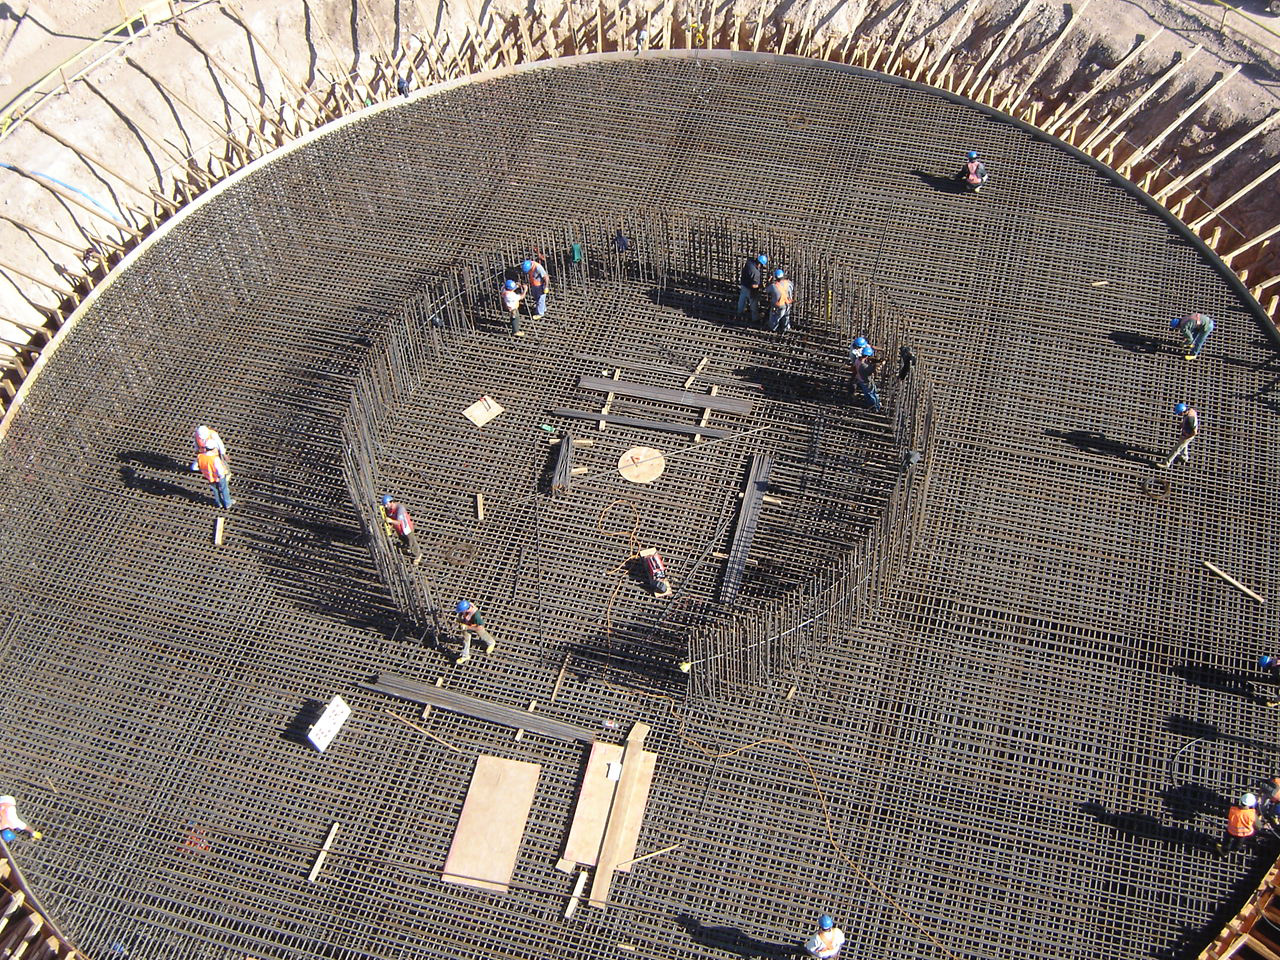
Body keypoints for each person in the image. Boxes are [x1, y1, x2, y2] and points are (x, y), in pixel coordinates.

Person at [380, 495, 422, 565]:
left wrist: (391, 521)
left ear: (391, 502)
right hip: (399, 530)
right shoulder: (388, 510)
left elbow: (399, 522)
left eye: (386, 504)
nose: (385, 506)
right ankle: (408, 548)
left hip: (406, 528)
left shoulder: (400, 509)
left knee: (412, 542)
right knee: (403, 539)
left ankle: (417, 555)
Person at [194, 441, 233, 510]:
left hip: (209, 477)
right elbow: (219, 470)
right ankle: (227, 503)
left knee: (215, 490)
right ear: (213, 449)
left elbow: (194, 467)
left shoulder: (200, 456)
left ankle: (219, 503)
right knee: (224, 489)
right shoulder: (215, 458)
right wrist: (222, 476)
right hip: (218, 477)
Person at [1162, 402, 1199, 468]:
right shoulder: (1190, 411)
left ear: (1182, 412)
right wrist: (1182, 424)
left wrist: (1188, 437)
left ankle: (1166, 463)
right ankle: (1184, 457)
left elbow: (1194, 432)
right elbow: (1186, 419)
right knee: (1184, 445)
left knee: (1176, 449)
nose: (1179, 415)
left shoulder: (1190, 419)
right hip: (1186, 433)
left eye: (1179, 413)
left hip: (1188, 435)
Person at [853, 345, 885, 413]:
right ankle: (875, 407)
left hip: (860, 379)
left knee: (869, 393)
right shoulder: (864, 366)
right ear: (867, 356)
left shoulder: (857, 360)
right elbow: (874, 370)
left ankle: (873, 404)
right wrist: (881, 364)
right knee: (871, 394)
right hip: (866, 381)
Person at [737, 254, 768, 323]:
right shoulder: (756, 273)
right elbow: (754, 286)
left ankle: (740, 312)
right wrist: (761, 286)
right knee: (753, 304)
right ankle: (755, 318)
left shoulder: (749, 263)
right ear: (760, 264)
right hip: (750, 290)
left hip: (743, 285)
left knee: (742, 299)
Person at [766, 268, 794, 333]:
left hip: (778, 306)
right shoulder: (789, 283)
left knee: (775, 317)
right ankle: (786, 328)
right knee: (786, 316)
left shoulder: (773, 286)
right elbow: (792, 288)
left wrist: (768, 281)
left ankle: (773, 327)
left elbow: (767, 290)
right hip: (788, 303)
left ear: (775, 277)